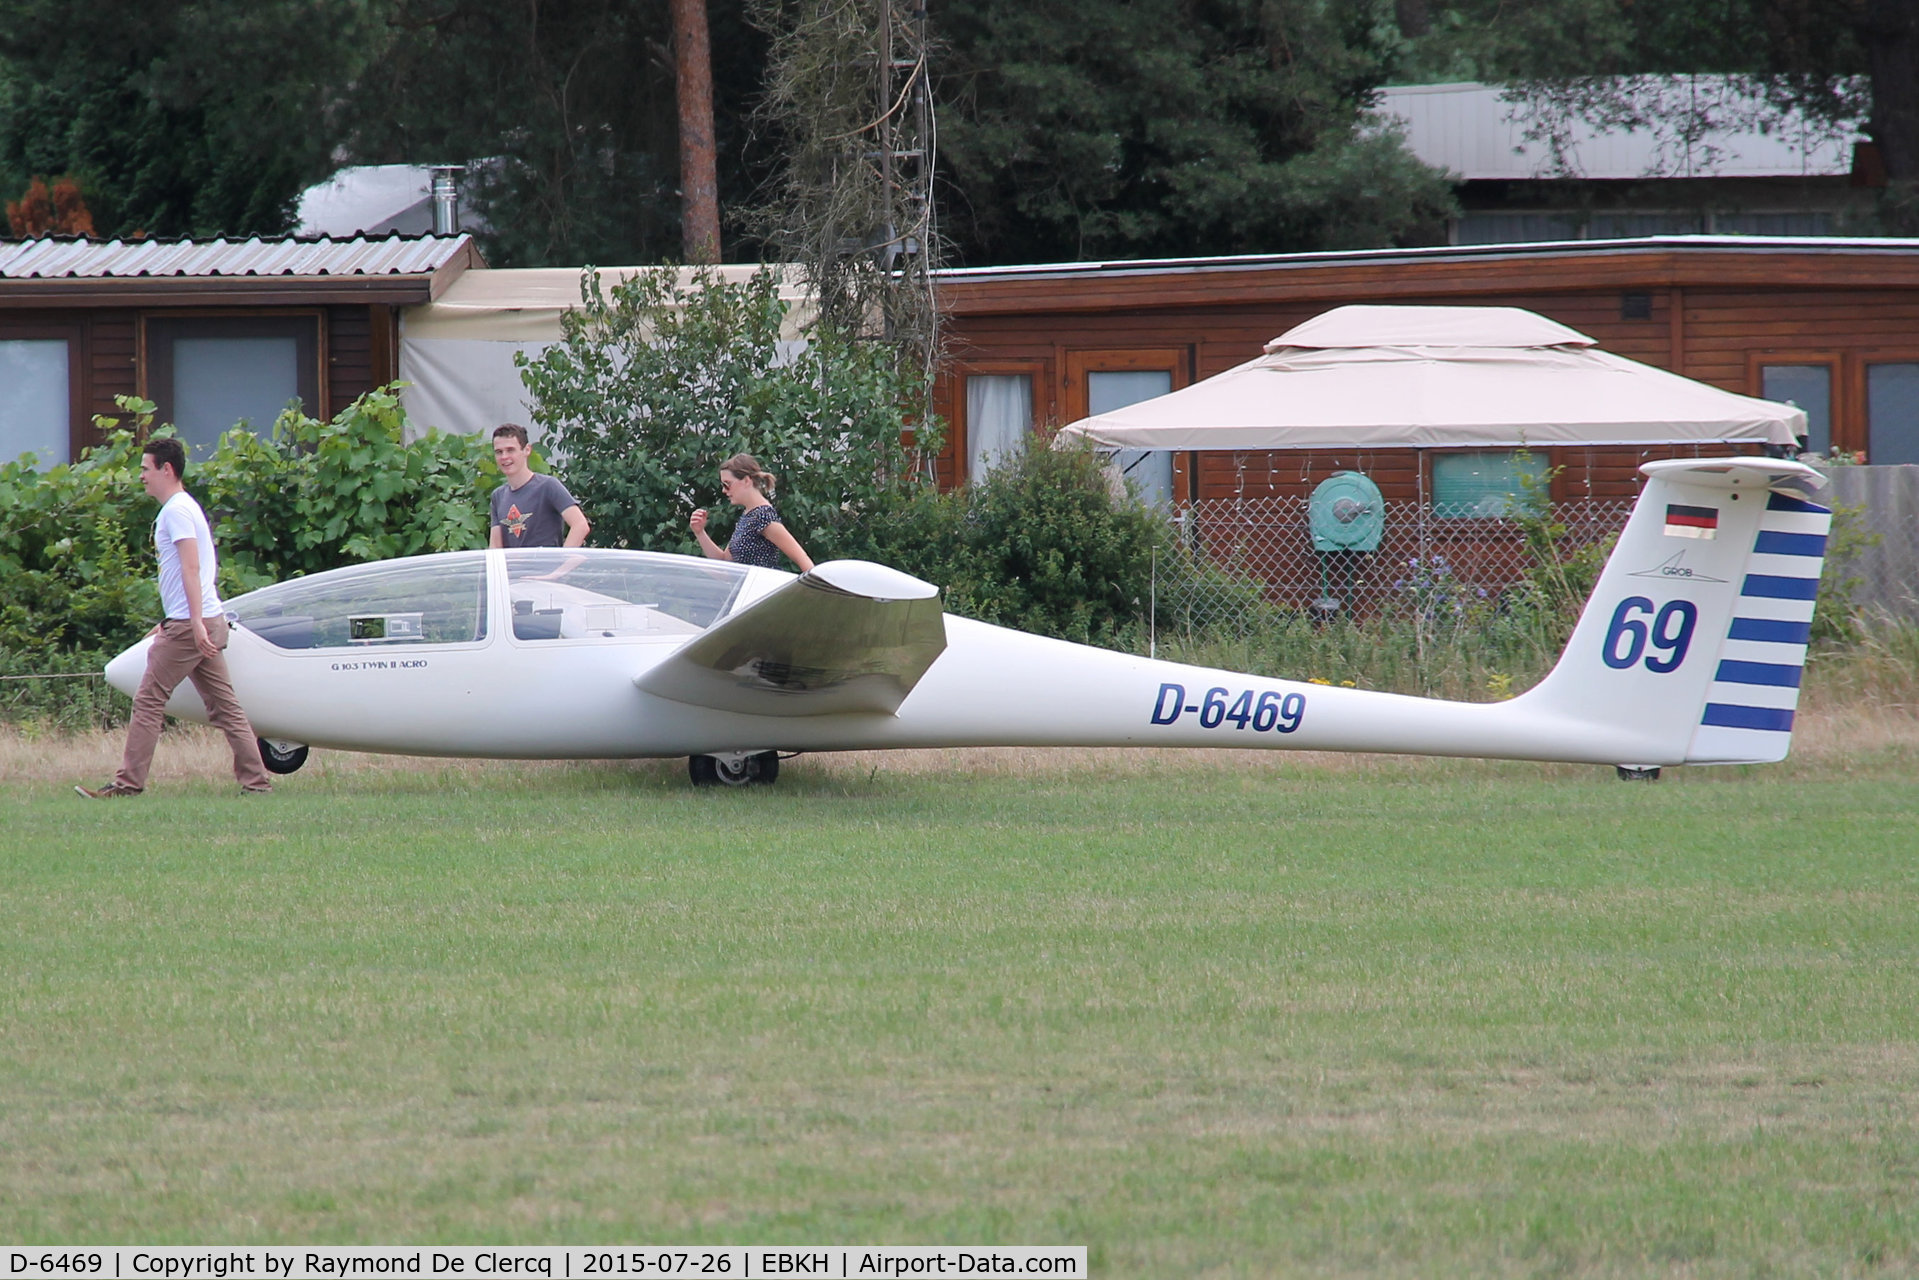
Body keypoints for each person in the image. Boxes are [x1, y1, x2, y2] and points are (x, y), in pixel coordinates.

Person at [78, 438, 274, 798]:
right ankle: (256, 783)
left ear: (166, 469)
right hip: (199, 620)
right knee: (226, 707)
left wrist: (191, 622)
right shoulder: (182, 508)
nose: (141, 476)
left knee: (149, 699)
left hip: (192, 624)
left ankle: (127, 784)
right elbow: (187, 573)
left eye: (145, 468)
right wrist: (178, 620)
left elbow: (190, 566)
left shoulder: (176, 511)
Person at [689, 453, 815, 572]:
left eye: (727, 484)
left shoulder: (763, 516)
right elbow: (725, 563)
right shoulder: (748, 515)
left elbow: (802, 559)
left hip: (761, 590)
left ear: (746, 481)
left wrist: (819, 591)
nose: (723, 490)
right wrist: (700, 532)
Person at [488, 424, 590, 549]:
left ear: (527, 450)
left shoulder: (548, 486)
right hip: (513, 568)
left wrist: (562, 564)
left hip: (544, 567)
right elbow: (495, 547)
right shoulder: (498, 496)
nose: (504, 457)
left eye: (510, 450)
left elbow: (580, 525)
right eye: (499, 452)